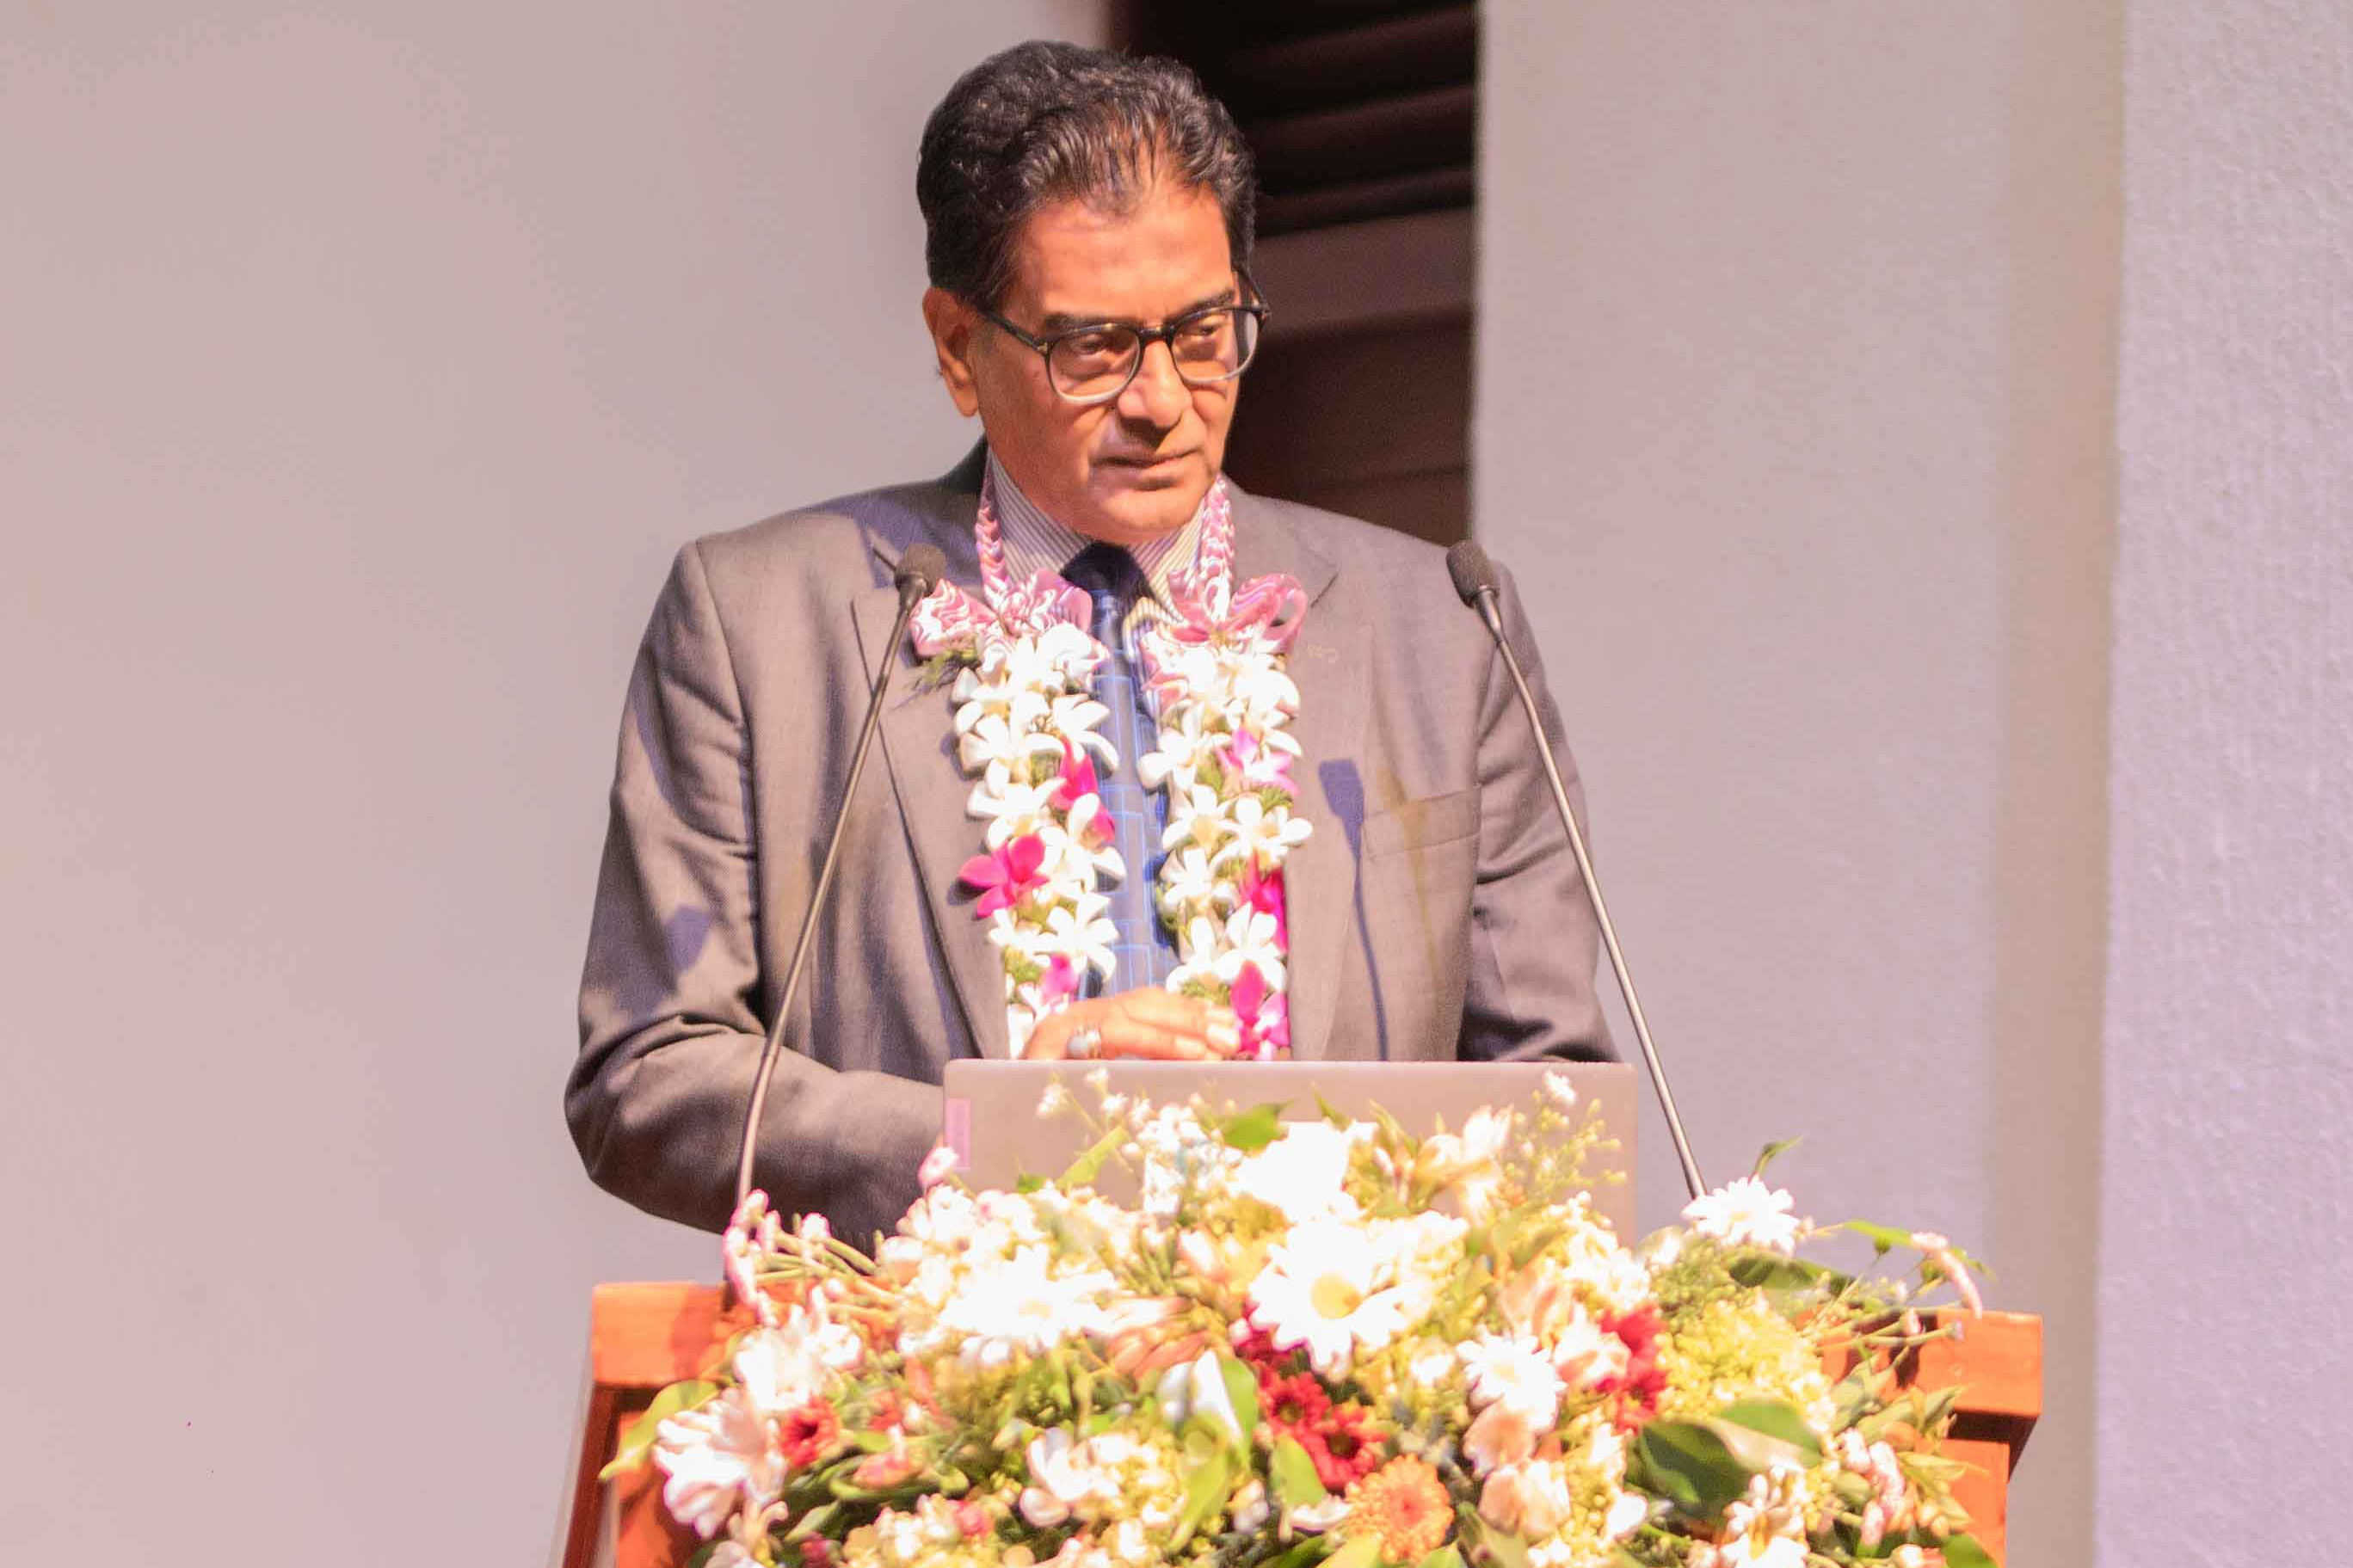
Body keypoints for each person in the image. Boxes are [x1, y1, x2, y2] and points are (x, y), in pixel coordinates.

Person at [568, 41, 1612, 1246]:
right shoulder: (764, 626)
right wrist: (981, 1141)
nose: (1161, 401)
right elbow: (647, 1075)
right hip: (940, 1347)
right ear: (958, 347)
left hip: (1341, 1346)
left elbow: (1556, 1102)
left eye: (1204, 331)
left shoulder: (1442, 630)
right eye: (1095, 348)